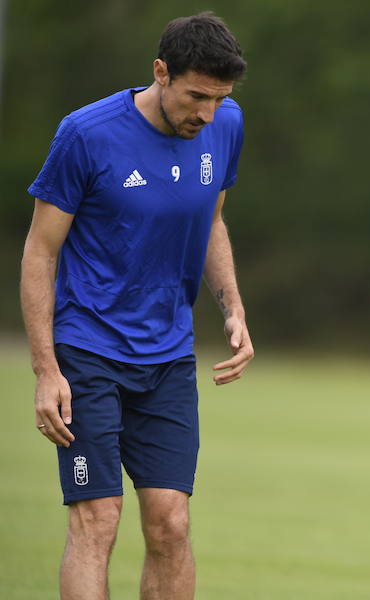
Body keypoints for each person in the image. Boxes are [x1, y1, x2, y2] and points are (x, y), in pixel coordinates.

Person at [20, 13, 253, 600]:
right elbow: (40, 252)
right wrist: (47, 369)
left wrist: (232, 307)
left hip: (169, 355)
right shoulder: (86, 133)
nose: (206, 113)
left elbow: (212, 222)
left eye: (219, 99)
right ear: (160, 73)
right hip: (88, 351)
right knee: (96, 520)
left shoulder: (225, 126)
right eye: (196, 95)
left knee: (171, 522)